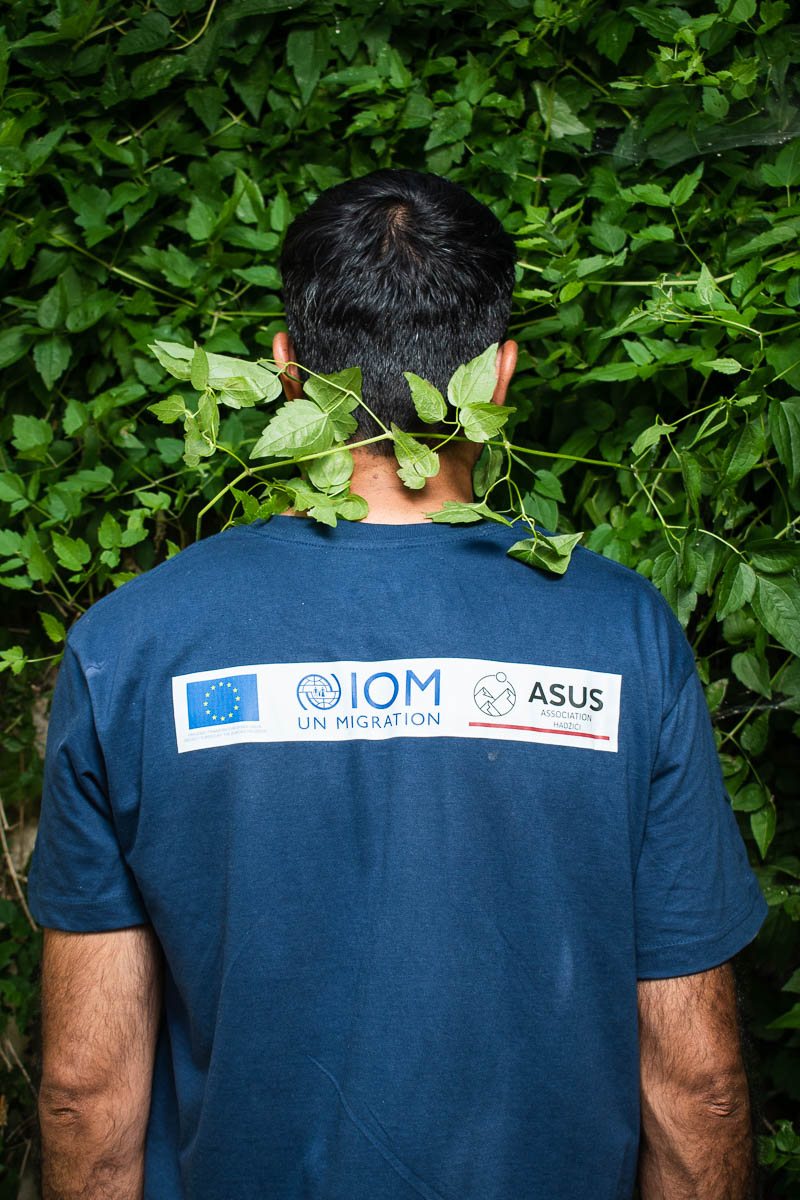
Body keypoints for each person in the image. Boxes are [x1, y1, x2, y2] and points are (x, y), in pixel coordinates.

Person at [29, 169, 766, 1200]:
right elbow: (697, 1088)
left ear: (288, 372)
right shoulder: (617, 633)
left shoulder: (132, 645)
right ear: (500, 375)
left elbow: (82, 1092)